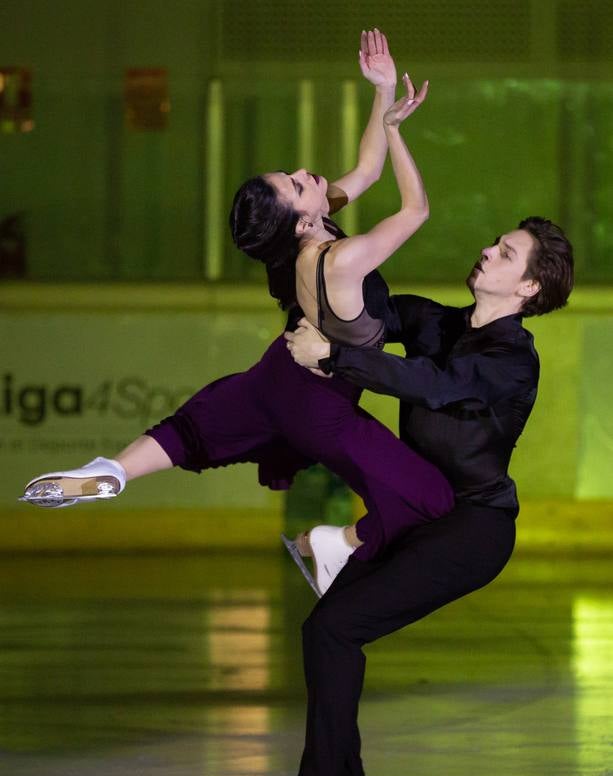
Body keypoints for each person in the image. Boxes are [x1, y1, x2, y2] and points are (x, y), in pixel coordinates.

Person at [20, 31, 454, 595]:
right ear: (302, 219)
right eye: (298, 183)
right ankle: (336, 544)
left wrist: (378, 90)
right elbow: (414, 208)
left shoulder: (297, 243)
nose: (306, 171)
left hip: (277, 375)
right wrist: (395, 127)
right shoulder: (342, 259)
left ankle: (112, 470)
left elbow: (366, 172)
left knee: (197, 429)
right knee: (432, 499)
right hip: (322, 405)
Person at [248, 216, 574, 776]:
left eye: (505, 252)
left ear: (529, 287)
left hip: (473, 531)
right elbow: (363, 306)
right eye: (494, 239)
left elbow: (433, 384)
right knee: (328, 631)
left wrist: (338, 359)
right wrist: (317, 246)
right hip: (419, 513)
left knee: (336, 629)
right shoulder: (438, 322)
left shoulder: (513, 360)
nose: (486, 248)